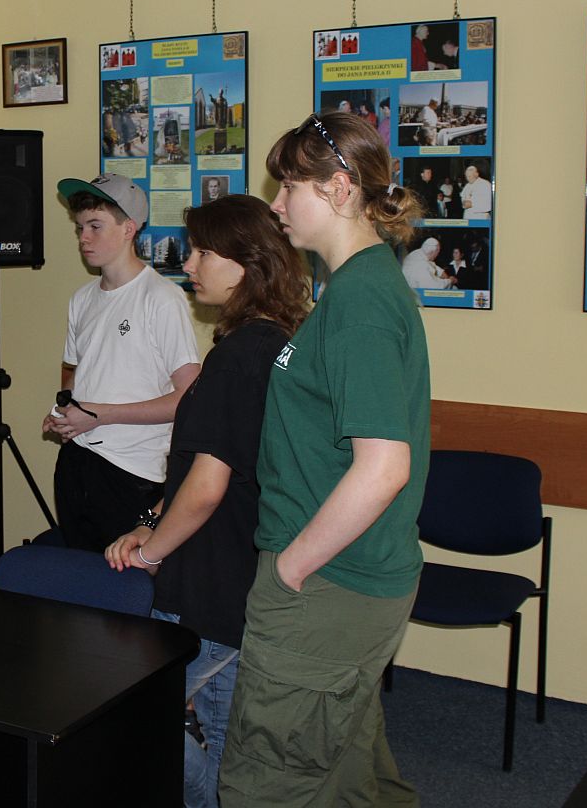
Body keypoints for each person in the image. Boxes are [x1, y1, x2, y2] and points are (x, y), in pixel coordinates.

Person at [218, 111, 429, 807]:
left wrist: (290, 568)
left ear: (340, 190)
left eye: (288, 188)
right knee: (346, 774)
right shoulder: (353, 287)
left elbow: (383, 467)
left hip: (328, 583)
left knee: (269, 784)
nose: (276, 207)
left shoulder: (363, 299)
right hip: (346, 580)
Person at [105, 195, 310, 808]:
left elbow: (208, 483)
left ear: (244, 264)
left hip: (216, 588)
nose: (188, 263)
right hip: (243, 565)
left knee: (176, 737)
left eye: (202, 252)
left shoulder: (239, 357)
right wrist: (152, 525)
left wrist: (151, 550)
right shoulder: (280, 343)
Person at [44, 173, 201, 552]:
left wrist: (100, 414)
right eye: (80, 227)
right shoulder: (81, 299)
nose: (84, 237)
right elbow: (75, 373)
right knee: (80, 582)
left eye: (95, 226)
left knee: (125, 591)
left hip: (133, 474)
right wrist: (65, 413)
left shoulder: (162, 298)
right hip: (77, 462)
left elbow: (188, 399)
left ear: (129, 228)